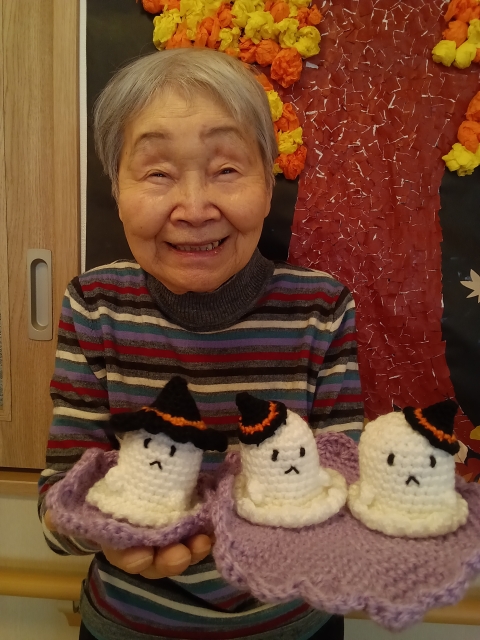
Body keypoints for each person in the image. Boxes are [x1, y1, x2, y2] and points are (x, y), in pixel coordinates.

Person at [39, 48, 364, 640]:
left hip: (294, 623)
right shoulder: (94, 305)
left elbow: (347, 488)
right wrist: (106, 536)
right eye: (157, 173)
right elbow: (58, 503)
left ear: (269, 182)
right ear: (117, 188)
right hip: (130, 624)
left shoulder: (321, 308)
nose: (193, 209)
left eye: (227, 169)